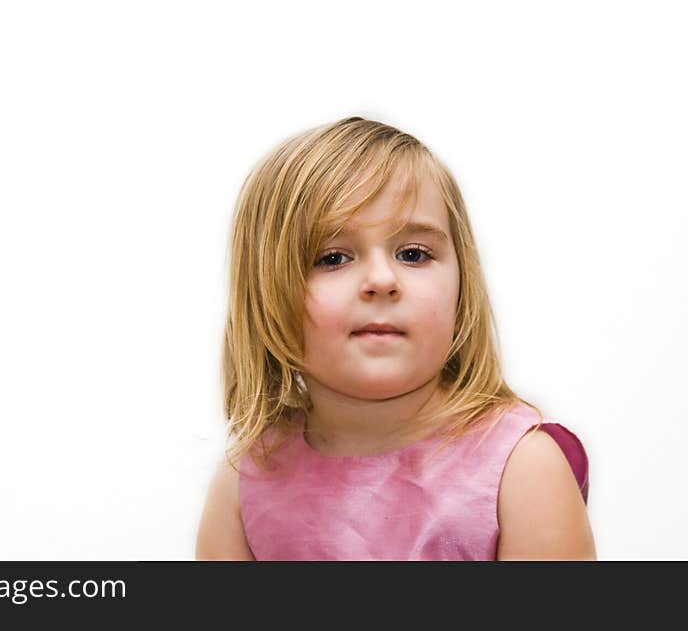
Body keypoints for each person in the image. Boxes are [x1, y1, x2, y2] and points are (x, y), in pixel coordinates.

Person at [196, 116, 596, 560]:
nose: (382, 280)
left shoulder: (522, 469)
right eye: (332, 258)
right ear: (264, 295)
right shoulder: (244, 486)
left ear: (462, 283)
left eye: (413, 254)